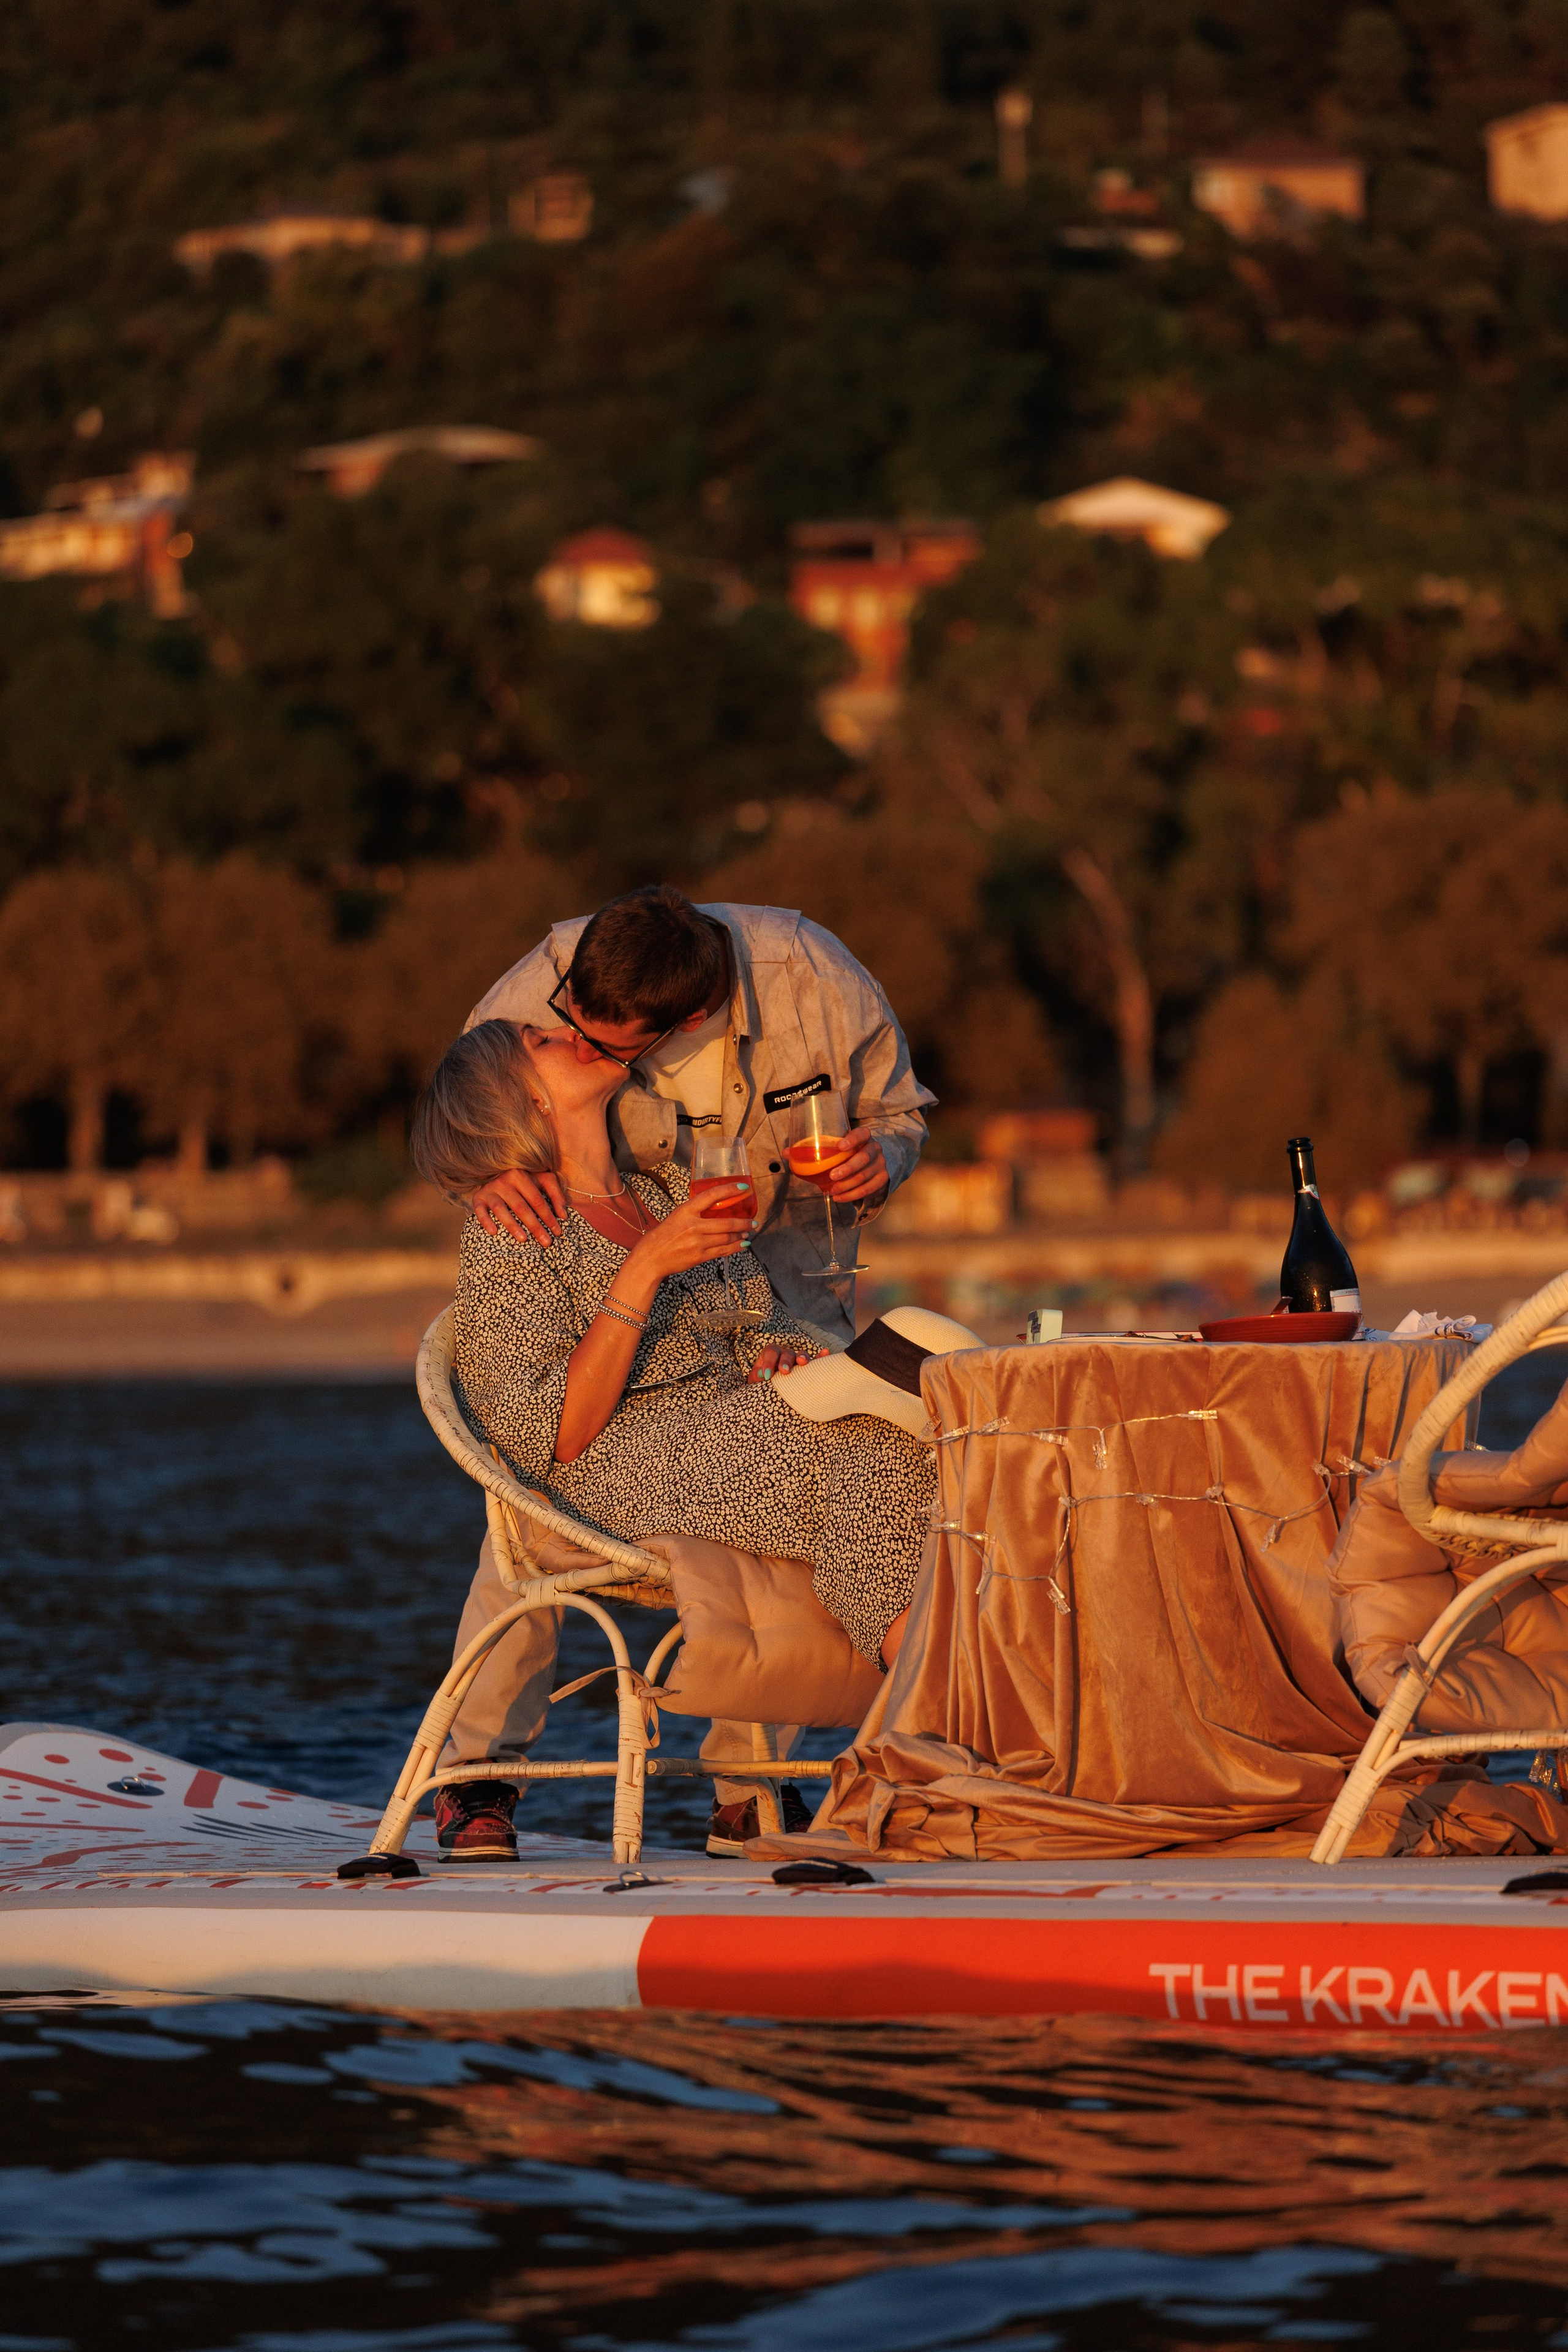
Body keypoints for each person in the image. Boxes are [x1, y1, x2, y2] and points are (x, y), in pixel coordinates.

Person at [411, 1016, 940, 1861]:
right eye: (541, 1042)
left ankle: (914, 1742)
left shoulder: (664, 1193)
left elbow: (758, 1320)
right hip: (615, 1464)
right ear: (523, 1100)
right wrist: (644, 1266)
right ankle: (925, 1748)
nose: (567, 1032)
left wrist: (781, 1353)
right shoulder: (514, 1230)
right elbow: (553, 1438)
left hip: (732, 1432)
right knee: (882, 1430)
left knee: (901, 1440)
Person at [464, 884, 934, 1347]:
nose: (579, 1048)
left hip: (801, 1306)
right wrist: (483, 1176)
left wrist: (881, 1160)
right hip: (640, 1336)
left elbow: (899, 1115)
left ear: (691, 1020)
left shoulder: (817, 977)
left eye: (608, 1048)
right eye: (569, 1022)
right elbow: (457, 1117)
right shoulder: (540, 983)